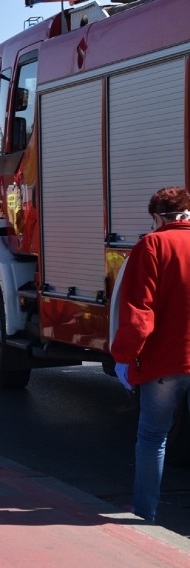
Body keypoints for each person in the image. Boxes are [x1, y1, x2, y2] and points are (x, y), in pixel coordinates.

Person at [111, 186, 190, 524]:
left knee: (152, 437)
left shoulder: (152, 246)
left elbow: (139, 313)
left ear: (158, 216)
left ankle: (145, 514)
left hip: (164, 363)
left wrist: (124, 358)